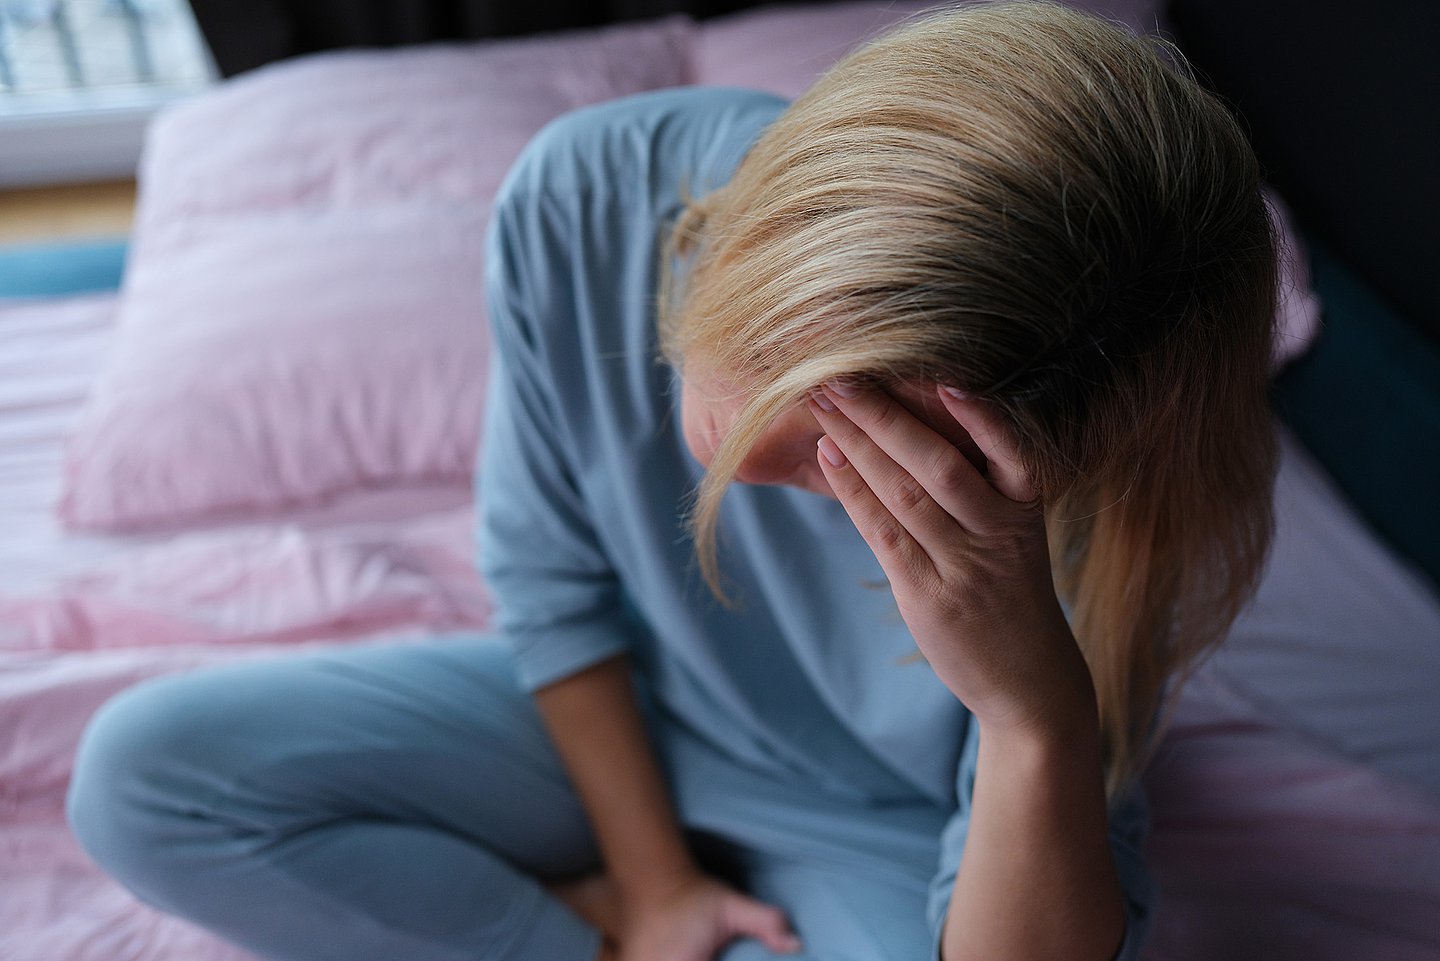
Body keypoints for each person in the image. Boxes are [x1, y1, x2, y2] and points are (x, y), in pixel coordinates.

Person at [66, 3, 1279, 960]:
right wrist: (653, 893)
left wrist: (1033, 716)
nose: (752, 455)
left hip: (890, 828)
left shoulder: (1092, 455)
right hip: (629, 716)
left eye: (859, 448)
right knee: (143, 777)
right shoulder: (591, 196)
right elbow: (552, 580)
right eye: (778, 352)